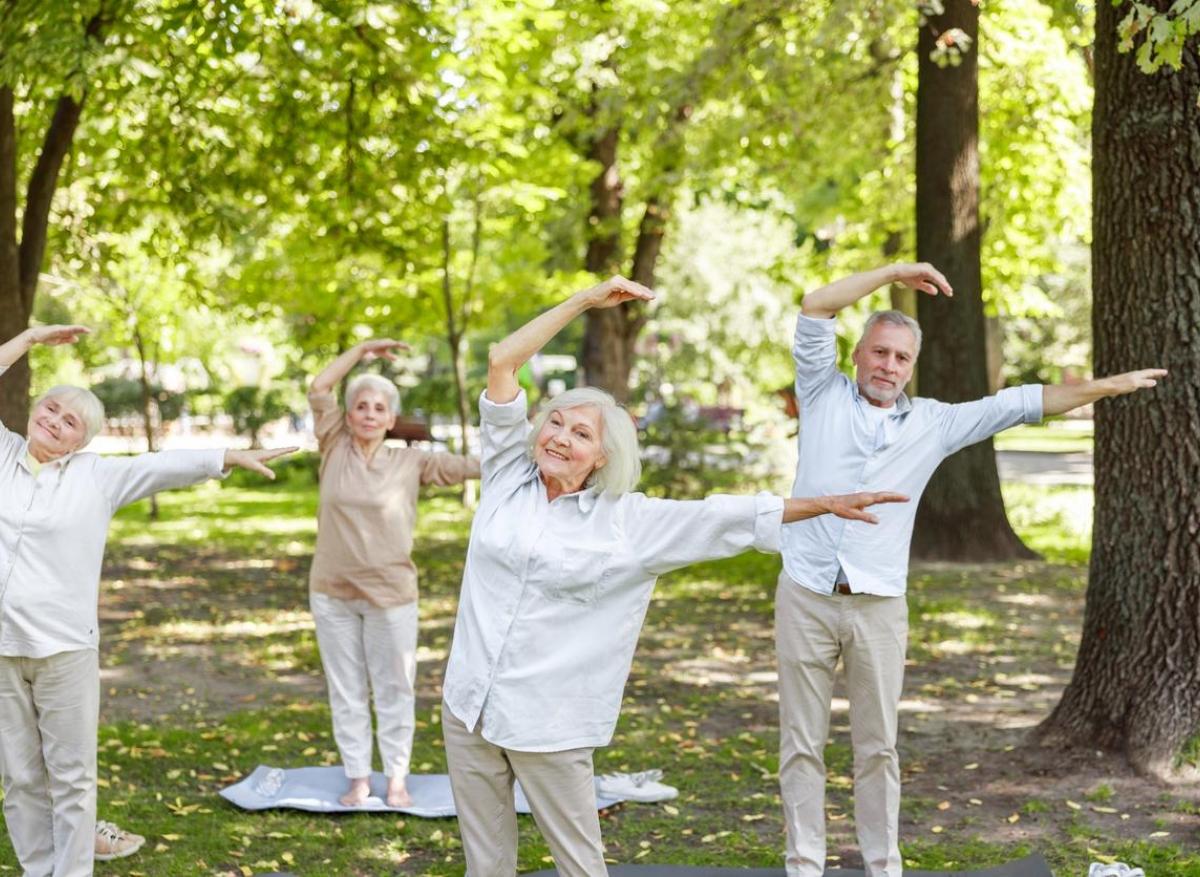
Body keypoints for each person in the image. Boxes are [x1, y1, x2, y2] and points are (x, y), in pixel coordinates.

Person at [440, 276, 907, 877]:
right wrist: (584, 301)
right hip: (468, 704)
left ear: (602, 458)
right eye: (556, 422)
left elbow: (725, 516)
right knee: (486, 867)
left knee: (580, 868)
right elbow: (503, 361)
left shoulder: (629, 523)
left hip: (548, 722)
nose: (559, 436)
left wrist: (823, 503)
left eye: (581, 434)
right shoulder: (508, 473)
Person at [777, 262, 1167, 877]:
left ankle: (882, 867)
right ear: (857, 355)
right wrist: (894, 272)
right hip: (805, 592)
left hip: (878, 605)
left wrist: (1108, 386)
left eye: (901, 357)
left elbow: (1022, 403)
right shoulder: (822, 392)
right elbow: (816, 301)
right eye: (879, 352)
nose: (888, 366)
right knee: (800, 744)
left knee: (877, 748)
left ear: (912, 367)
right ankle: (805, 866)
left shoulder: (933, 423)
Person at [0, 325, 295, 877]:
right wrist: (31, 338)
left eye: (71, 422)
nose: (55, 420)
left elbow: (162, 467)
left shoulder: (97, 477)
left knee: (71, 777)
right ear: (34, 408)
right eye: (51, 408)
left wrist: (231, 454)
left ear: (80, 442)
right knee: (19, 777)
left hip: (63, 648)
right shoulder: (3, 453)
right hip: (1, 648)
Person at [307, 339, 480, 808]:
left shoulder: (410, 460)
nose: (367, 413)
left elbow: (465, 467)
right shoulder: (333, 446)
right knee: (346, 689)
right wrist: (362, 351)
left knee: (394, 688)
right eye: (359, 405)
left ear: (389, 419)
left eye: (378, 407)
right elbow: (320, 385)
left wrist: (530, 455)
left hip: (391, 593)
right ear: (347, 416)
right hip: (332, 591)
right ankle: (358, 777)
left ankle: (397, 778)